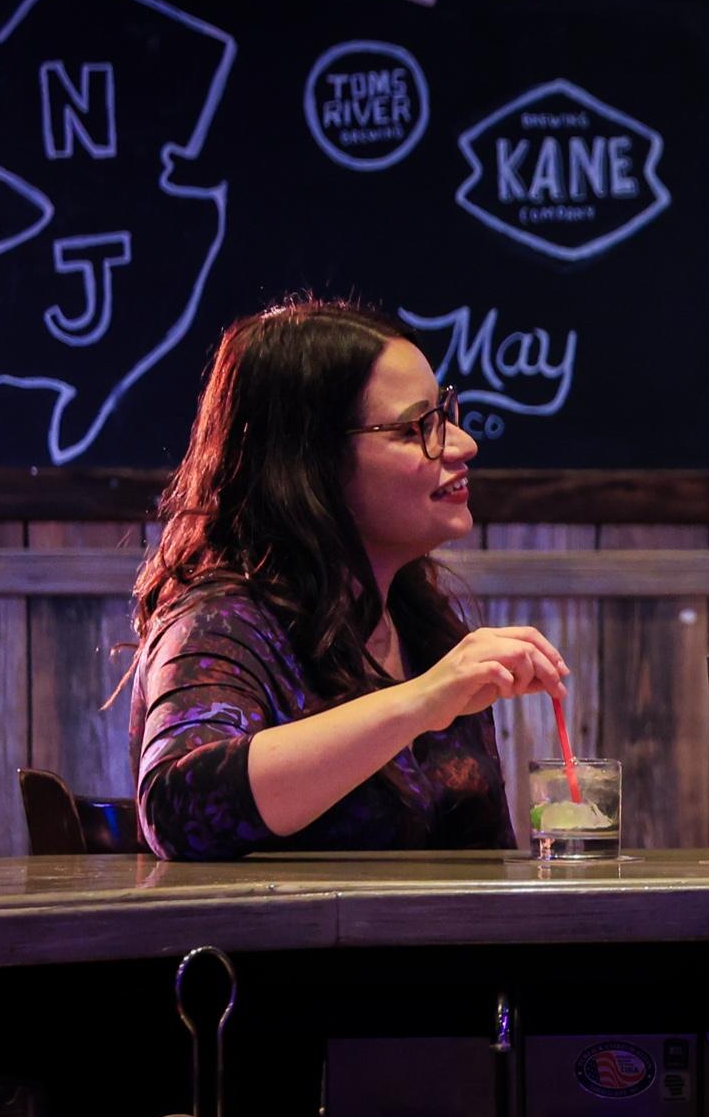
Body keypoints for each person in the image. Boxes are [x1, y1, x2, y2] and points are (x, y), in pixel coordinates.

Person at [127, 299, 569, 860]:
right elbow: (179, 807)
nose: (463, 445)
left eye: (445, 414)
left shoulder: (419, 620)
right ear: (310, 463)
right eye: (416, 428)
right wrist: (424, 699)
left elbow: (483, 864)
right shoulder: (219, 623)